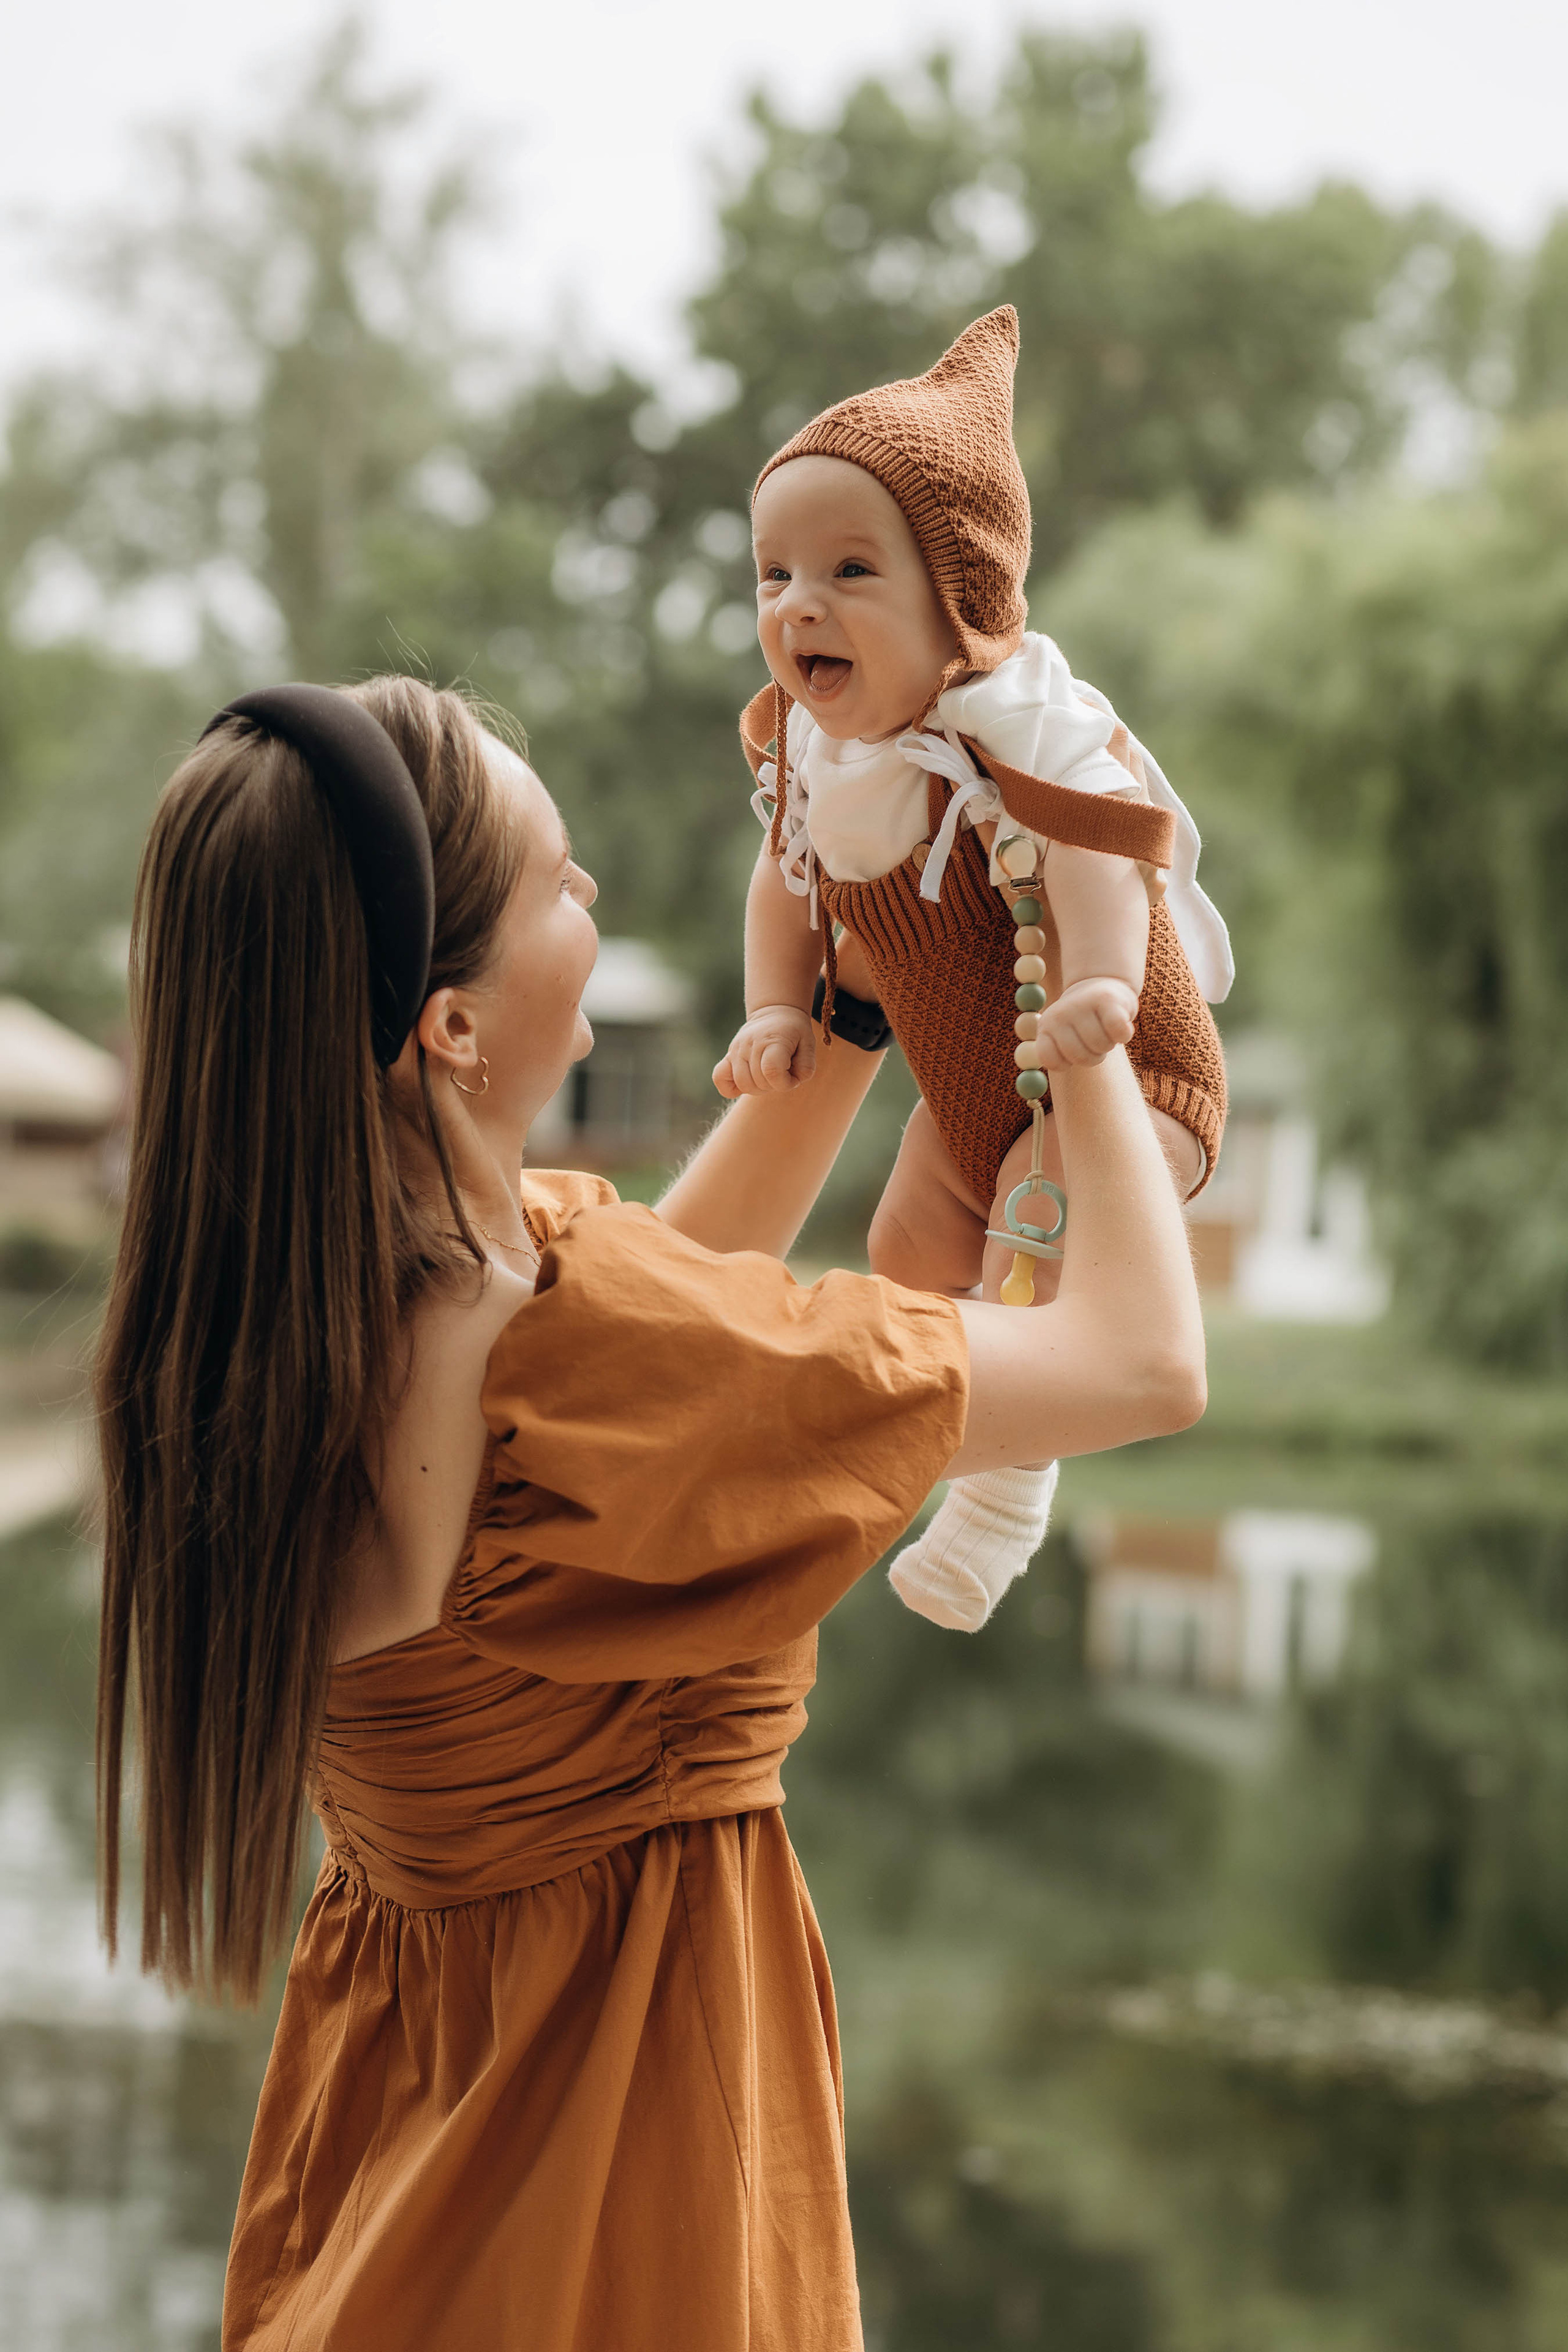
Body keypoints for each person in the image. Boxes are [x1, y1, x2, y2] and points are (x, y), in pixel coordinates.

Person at [94, 672, 1204, 2352]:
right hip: (613, 2197)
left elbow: (664, 1323)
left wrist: (849, 1013)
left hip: (410, 2160)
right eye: (557, 881)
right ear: (448, 1025)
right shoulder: (566, 1343)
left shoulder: (265, 1329)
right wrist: (1079, 990)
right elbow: (1140, 1362)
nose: (594, 889)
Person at [715, 305, 1231, 1633]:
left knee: (1027, 1234)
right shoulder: (812, 754)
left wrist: (1104, 988)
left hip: (1117, 1073)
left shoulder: (1015, 722)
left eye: (848, 570)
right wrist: (777, 1007)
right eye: (773, 576)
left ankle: (1002, 1501)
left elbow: (1095, 844)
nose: (799, 604)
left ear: (963, 596)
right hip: (971, 1096)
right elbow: (783, 879)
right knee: (903, 1246)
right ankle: (930, 1434)